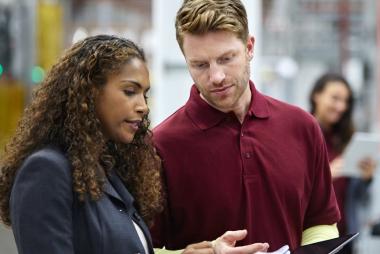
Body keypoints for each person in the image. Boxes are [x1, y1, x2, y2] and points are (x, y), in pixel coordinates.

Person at [0, 35, 271, 254]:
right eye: (129, 91)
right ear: (88, 93)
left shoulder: (107, 173)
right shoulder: (47, 170)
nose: (142, 107)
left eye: (144, 94)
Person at [151, 0, 341, 252]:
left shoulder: (302, 127)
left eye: (226, 58)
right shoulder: (160, 145)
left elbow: (320, 224)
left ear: (249, 47)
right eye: (200, 65)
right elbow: (142, 247)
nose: (216, 76)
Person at [309, 72, 376, 254]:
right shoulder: (302, 134)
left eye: (345, 101)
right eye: (335, 98)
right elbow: (290, 187)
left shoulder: (345, 139)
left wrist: (365, 178)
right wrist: (326, 175)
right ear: (317, 95)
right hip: (314, 238)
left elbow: (356, 197)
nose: (341, 106)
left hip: (345, 236)